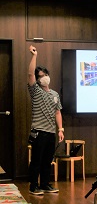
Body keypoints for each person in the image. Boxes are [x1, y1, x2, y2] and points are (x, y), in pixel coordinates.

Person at [27, 45, 64, 195]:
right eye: (40, 76)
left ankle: (44, 184)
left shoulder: (54, 94)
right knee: (36, 160)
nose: (44, 78)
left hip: (50, 132)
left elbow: (58, 112)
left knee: (47, 160)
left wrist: (60, 129)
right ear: (37, 79)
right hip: (38, 131)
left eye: (45, 75)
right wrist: (34, 55)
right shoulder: (35, 91)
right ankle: (33, 186)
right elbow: (30, 74)